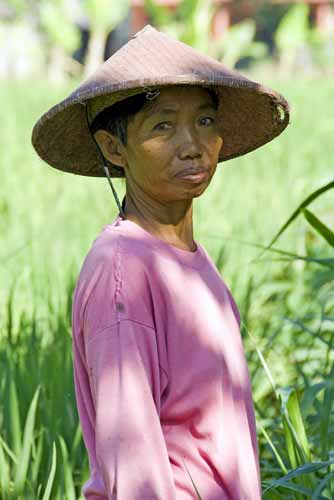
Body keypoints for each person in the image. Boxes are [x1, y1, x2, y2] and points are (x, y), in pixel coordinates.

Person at [32, 25, 290, 500]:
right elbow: (133, 467)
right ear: (115, 149)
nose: (192, 144)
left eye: (206, 122)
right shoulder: (123, 273)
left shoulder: (188, 257)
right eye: (162, 125)